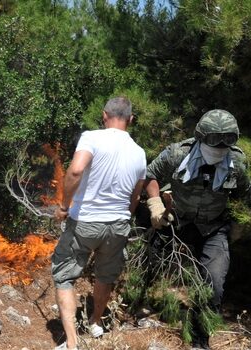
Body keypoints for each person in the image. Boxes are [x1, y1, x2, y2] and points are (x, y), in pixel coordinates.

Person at [145, 109, 251, 350]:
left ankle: (200, 340)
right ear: (201, 136)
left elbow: (244, 196)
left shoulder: (237, 163)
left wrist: (238, 226)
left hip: (213, 228)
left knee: (213, 285)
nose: (221, 146)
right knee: (154, 263)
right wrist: (155, 205)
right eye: (215, 139)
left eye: (228, 140)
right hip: (177, 221)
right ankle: (145, 303)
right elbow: (150, 175)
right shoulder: (177, 153)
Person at [51, 96, 147, 350]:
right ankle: (95, 322)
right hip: (117, 224)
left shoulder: (92, 137)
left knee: (64, 276)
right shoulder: (139, 153)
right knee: (105, 275)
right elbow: (135, 196)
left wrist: (63, 206)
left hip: (85, 221)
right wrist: (124, 218)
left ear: (104, 115)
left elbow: (75, 171)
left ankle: (72, 342)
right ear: (131, 119)